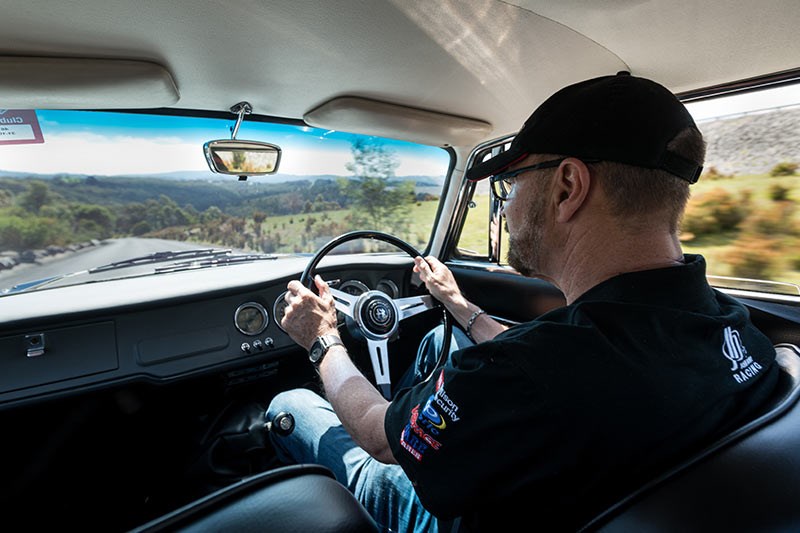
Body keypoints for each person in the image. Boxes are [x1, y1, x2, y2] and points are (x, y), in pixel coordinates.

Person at [266, 72, 780, 532]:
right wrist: (459, 306)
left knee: (293, 405)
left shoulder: (527, 372)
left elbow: (381, 440)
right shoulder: (732, 326)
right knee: (432, 348)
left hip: (459, 511)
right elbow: (557, 371)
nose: (507, 207)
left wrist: (323, 341)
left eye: (511, 183)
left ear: (567, 187)